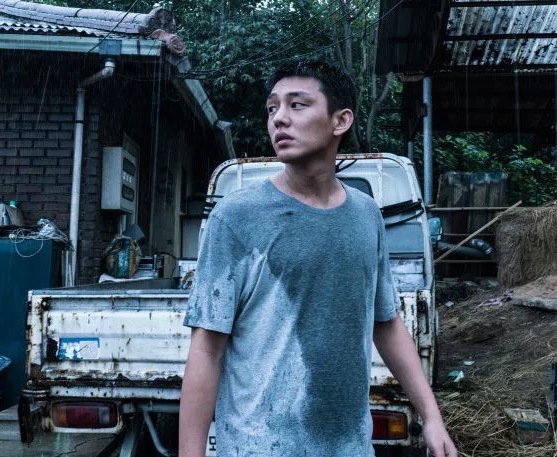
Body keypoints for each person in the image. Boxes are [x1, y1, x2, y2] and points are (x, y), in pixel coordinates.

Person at [179, 60, 457, 457]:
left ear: (340, 120)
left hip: (349, 447)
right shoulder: (236, 217)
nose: (279, 119)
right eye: (272, 107)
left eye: (297, 105)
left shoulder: (366, 215)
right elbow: (207, 349)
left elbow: (386, 322)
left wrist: (432, 416)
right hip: (260, 448)